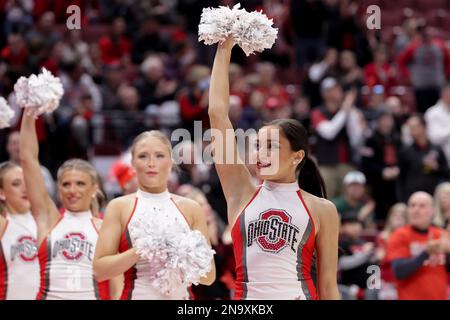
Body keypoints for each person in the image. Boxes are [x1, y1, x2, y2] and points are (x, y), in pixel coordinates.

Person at [207, 37, 340, 300]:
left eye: (272, 146)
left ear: (296, 156)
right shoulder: (241, 192)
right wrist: (224, 48)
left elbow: (327, 288)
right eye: (257, 145)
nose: (260, 154)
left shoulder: (323, 209)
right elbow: (217, 114)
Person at [93, 131, 216, 300]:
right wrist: (141, 250)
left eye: (159, 156)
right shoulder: (119, 207)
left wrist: (180, 254)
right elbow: (100, 271)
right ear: (133, 163)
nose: (151, 163)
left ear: (171, 162)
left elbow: (209, 277)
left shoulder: (191, 208)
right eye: (143, 156)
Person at [19, 113, 113, 300]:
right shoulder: (49, 219)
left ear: (94, 189)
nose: (72, 190)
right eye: (66, 184)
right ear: (59, 189)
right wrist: (30, 111)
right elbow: (28, 159)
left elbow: (118, 285)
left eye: (80, 184)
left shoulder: (106, 227)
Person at [387, 192, 450, 300]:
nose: (416, 210)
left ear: (432, 210)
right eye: (412, 205)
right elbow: (399, 271)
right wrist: (426, 253)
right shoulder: (399, 235)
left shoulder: (442, 235)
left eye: (422, 206)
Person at [0, 161, 40, 300]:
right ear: (1, 192)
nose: (25, 188)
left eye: (27, 181)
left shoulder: (47, 223)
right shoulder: (3, 225)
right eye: (16, 183)